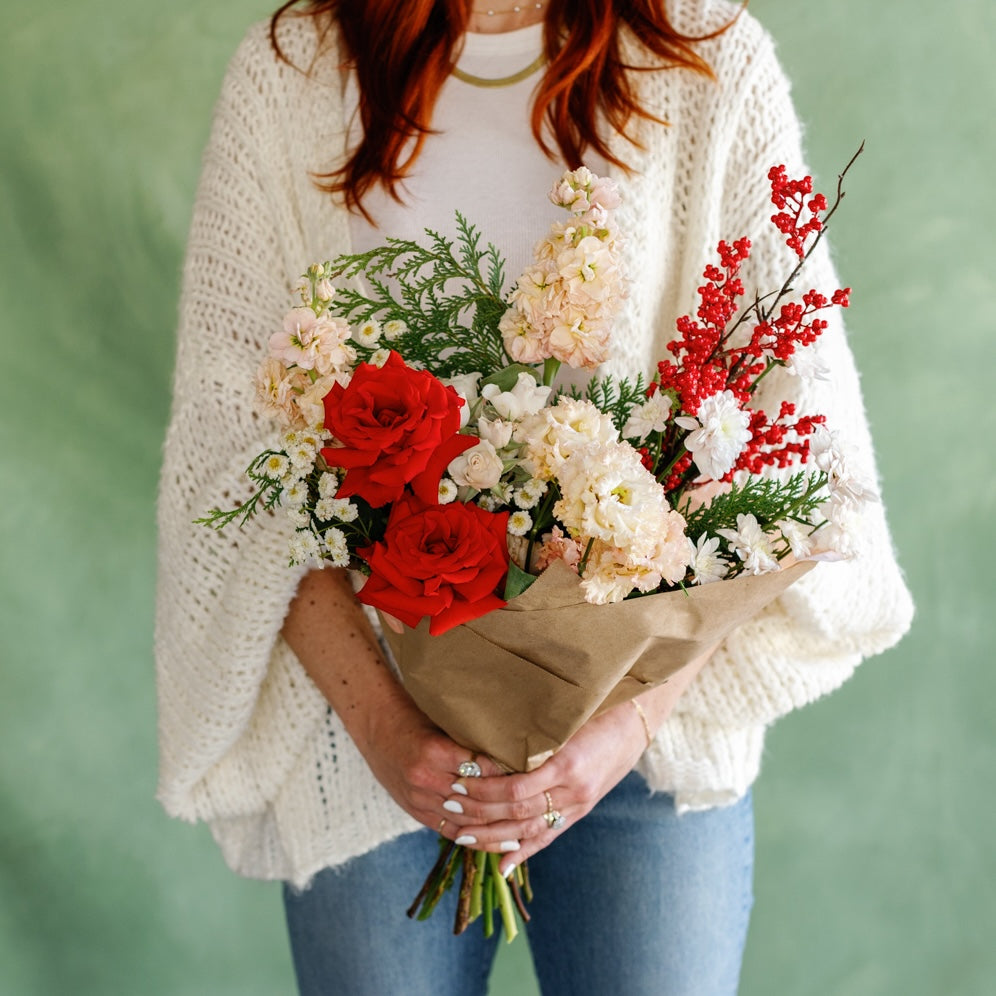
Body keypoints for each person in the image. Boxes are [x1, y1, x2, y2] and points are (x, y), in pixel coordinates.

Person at [155, 1, 914, 993]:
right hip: (369, 737)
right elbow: (235, 446)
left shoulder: (707, 56)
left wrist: (623, 729)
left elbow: (792, 444)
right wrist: (392, 737)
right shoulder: (297, 70)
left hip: (644, 748)